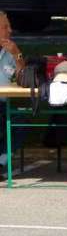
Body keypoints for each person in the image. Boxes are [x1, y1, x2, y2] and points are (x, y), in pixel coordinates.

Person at [0, 11, 26, 168]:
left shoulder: (11, 52)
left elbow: (24, 79)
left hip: (3, 105)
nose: (10, 30)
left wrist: (17, 55)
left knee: (21, 121)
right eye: (5, 27)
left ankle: (1, 160)